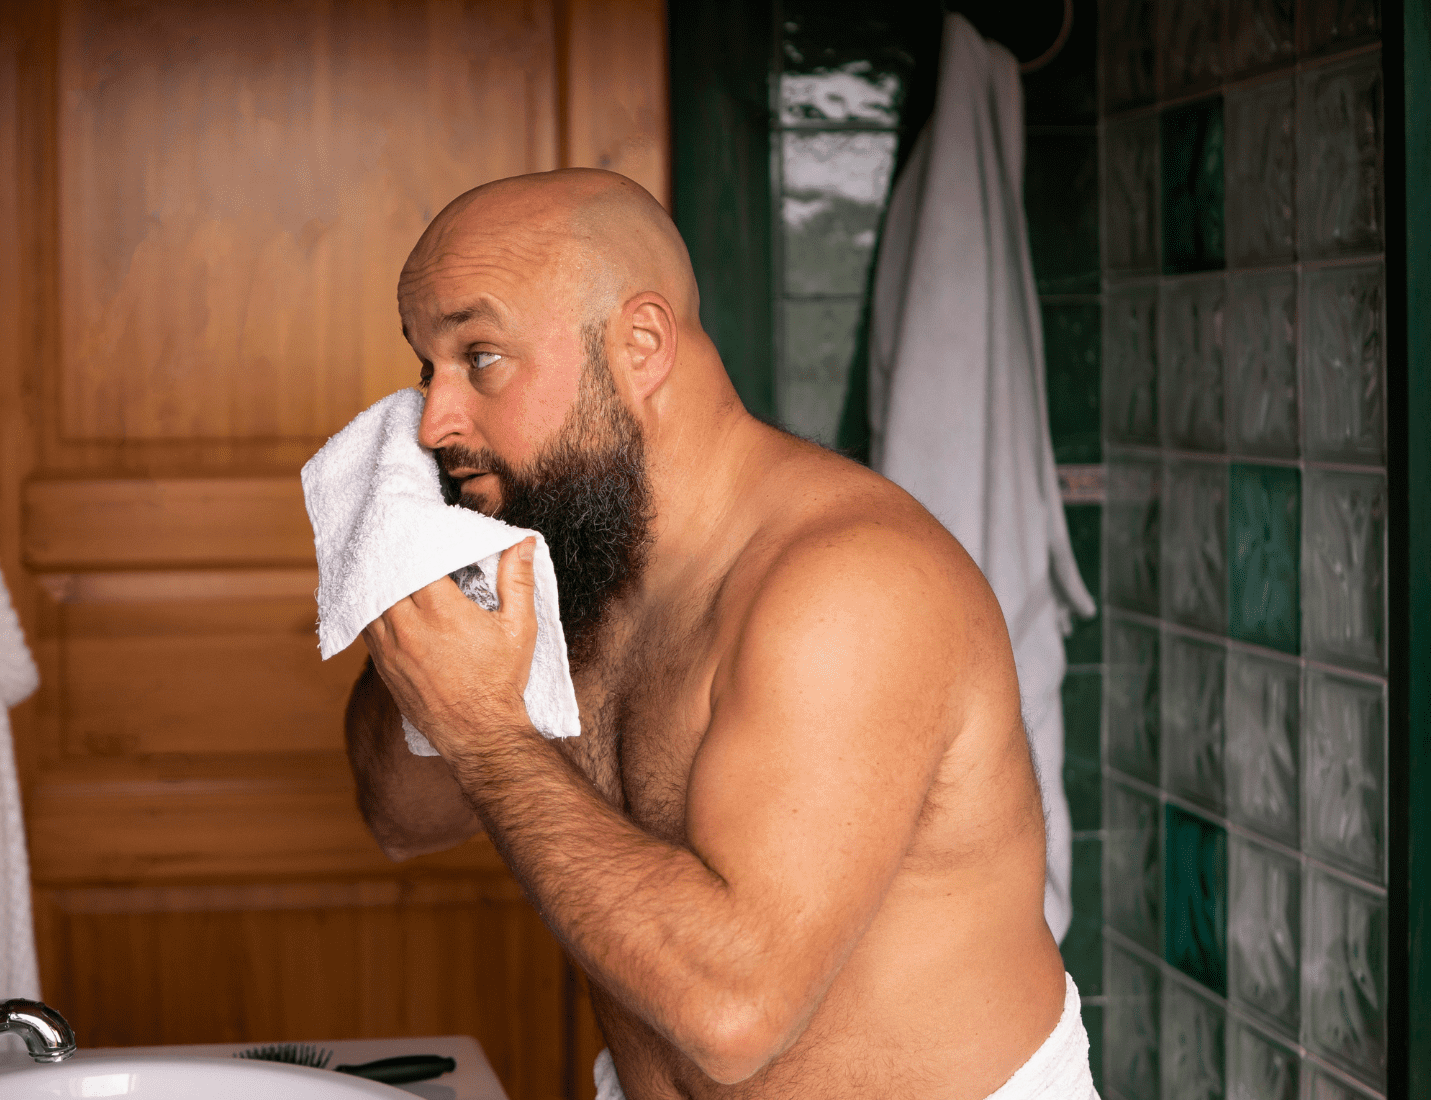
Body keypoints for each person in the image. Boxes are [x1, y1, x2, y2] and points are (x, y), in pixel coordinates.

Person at [343, 168, 1090, 1099]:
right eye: (427, 368)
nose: (432, 423)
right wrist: (416, 587)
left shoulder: (847, 586)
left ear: (641, 344)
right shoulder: (571, 554)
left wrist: (489, 736)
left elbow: (737, 1013)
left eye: (480, 357)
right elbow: (402, 819)